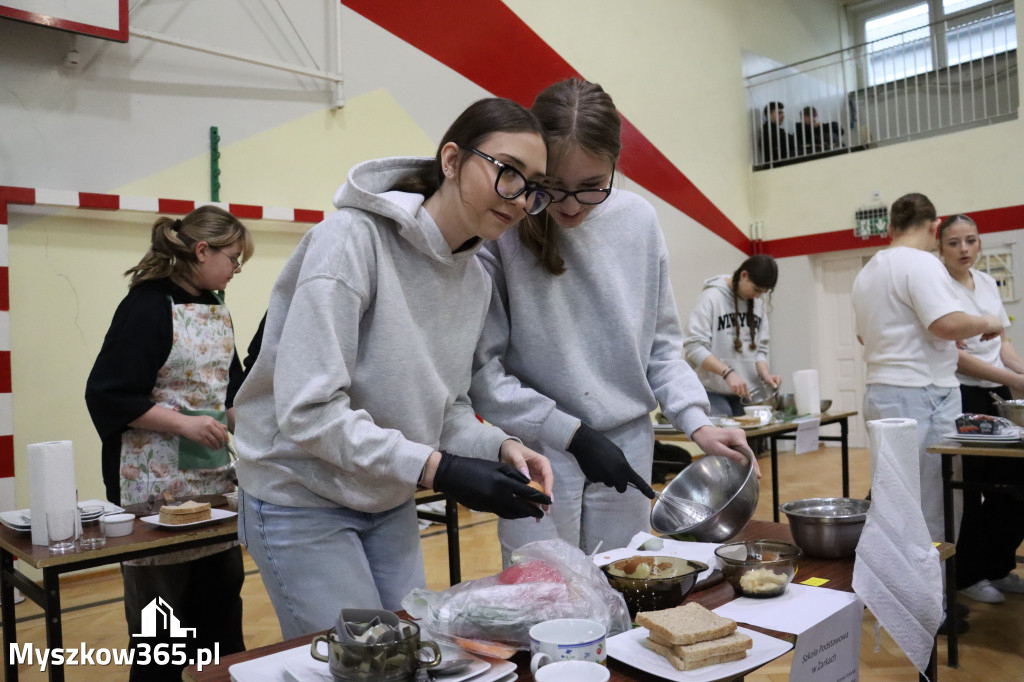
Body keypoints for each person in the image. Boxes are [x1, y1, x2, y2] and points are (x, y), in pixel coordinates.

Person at [232, 97, 554, 639]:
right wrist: (440, 469)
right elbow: (308, 411)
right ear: (451, 160)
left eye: (533, 186)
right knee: (361, 669)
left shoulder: (474, 277)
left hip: (386, 492)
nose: (521, 199)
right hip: (300, 493)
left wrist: (497, 446)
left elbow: (446, 403)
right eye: (508, 173)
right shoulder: (350, 241)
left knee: (410, 652)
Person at [469, 78, 757, 566]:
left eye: (591, 187)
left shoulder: (637, 222)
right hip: (536, 446)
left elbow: (662, 350)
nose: (570, 206)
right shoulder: (506, 229)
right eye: (554, 186)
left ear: (614, 167)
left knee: (623, 585)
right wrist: (568, 433)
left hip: (625, 443)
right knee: (541, 597)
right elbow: (484, 373)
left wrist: (697, 421)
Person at [85, 205, 254, 682]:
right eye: (233, 259)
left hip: (210, 485)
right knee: (161, 635)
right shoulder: (145, 306)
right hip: (152, 488)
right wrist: (183, 424)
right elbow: (108, 394)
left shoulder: (216, 307)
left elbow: (231, 391)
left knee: (221, 621)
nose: (236, 271)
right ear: (203, 250)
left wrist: (257, 423)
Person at [852, 194, 1002, 542]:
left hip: (882, 391)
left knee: (895, 501)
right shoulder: (920, 263)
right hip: (922, 395)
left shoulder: (869, 269)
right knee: (933, 503)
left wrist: (939, 336)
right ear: (935, 226)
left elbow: (866, 337)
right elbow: (945, 325)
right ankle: (932, 595)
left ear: (890, 228)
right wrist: (985, 321)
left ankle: (899, 590)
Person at [936, 213, 1024, 604]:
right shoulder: (938, 288)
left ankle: (997, 564)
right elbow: (954, 358)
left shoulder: (987, 282)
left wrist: (1018, 372)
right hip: (966, 395)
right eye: (954, 242)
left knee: (1014, 485)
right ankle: (968, 574)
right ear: (940, 247)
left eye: (970, 240)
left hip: (1001, 391)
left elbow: (1001, 341)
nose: (964, 249)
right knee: (971, 489)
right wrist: (1015, 379)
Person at [684, 255, 781, 418]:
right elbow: (694, 346)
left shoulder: (757, 305)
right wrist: (728, 373)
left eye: (763, 292)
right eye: (757, 289)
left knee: (751, 441)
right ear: (744, 275)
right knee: (725, 438)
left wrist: (766, 375)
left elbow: (760, 351)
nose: (758, 296)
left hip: (747, 394)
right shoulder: (711, 298)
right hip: (712, 391)